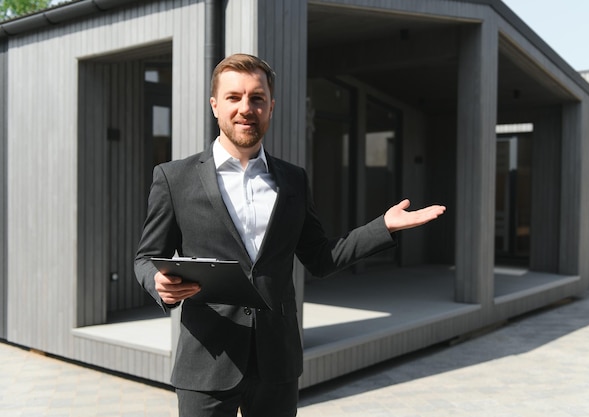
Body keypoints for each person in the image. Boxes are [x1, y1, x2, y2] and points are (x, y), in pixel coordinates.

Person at [134, 53, 446, 417]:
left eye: (257, 98)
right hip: (207, 359)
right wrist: (157, 282)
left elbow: (321, 257)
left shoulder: (293, 179)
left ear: (271, 106)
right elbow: (145, 257)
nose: (245, 108)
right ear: (215, 105)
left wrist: (383, 228)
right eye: (234, 97)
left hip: (277, 361)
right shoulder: (174, 178)